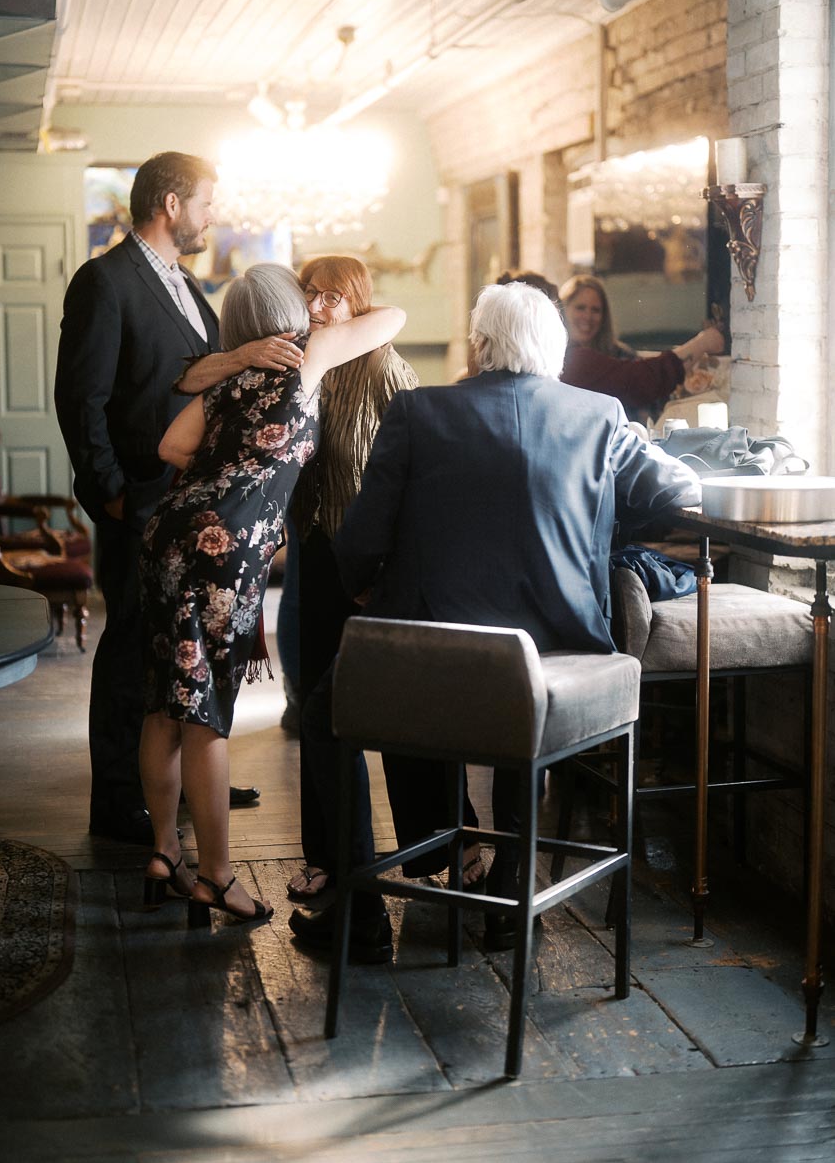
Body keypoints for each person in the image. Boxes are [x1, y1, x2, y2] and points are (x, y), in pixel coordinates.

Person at [289, 282, 700, 957]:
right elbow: (672, 494)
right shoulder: (600, 416)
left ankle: (359, 913)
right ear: (556, 349)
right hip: (559, 661)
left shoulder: (418, 412)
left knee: (320, 715)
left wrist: (370, 592)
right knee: (523, 717)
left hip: (430, 660)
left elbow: (359, 540)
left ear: (480, 346)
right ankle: (513, 895)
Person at [137, 263, 406, 923]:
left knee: (165, 702)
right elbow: (391, 318)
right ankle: (219, 878)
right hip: (222, 551)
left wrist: (225, 464)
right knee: (208, 710)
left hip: (167, 535)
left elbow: (170, 444)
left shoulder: (226, 380)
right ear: (288, 313)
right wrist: (250, 480)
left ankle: (164, 852)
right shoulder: (304, 363)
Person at [54, 152, 303, 844]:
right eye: (205, 203)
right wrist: (109, 494)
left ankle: (193, 782)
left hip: (190, 508)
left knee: (181, 651)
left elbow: (190, 373)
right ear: (169, 203)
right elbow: (82, 401)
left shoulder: (186, 284)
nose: (211, 216)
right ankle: (117, 803)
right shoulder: (103, 282)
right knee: (133, 652)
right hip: (137, 500)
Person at [285, 255, 418, 902]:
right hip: (314, 554)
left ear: (358, 304)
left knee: (394, 705)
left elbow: (415, 469)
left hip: (371, 562)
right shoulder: (298, 361)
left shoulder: (384, 366)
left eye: (332, 297)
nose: (316, 307)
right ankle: (330, 858)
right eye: (309, 293)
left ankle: (443, 842)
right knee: (317, 707)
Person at [558, 271, 725, 416]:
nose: (587, 317)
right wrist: (702, 343)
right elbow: (641, 381)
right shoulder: (567, 358)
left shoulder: (620, 352)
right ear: (563, 310)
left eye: (595, 310)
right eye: (580, 308)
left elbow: (649, 378)